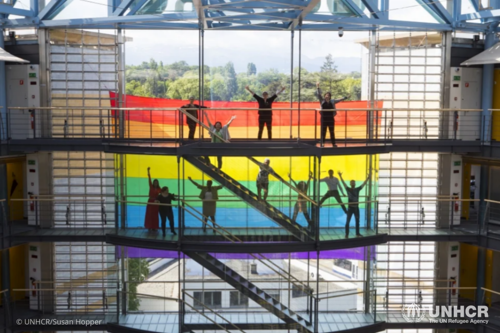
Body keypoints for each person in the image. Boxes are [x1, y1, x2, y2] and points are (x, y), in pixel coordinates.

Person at [339, 171, 371, 239]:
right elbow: (343, 183)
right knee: (347, 221)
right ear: (350, 183)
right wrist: (340, 176)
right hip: (350, 208)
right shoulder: (348, 189)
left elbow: (363, 184)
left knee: (357, 221)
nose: (353, 183)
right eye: (352, 182)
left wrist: (368, 178)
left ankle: (357, 233)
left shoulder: (357, 189)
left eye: (354, 182)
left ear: (355, 183)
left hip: (356, 208)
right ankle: (346, 234)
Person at [316, 82, 348, 147]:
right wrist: (318, 87)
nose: (327, 96)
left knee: (332, 131)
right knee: (323, 132)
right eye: (326, 95)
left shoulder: (332, 101)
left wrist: (346, 97)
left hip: (330, 119)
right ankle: (322, 144)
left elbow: (339, 100)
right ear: (325, 96)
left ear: (330, 97)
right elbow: (319, 95)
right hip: (324, 118)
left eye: (328, 95)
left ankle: (333, 144)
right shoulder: (322, 101)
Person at [144, 167, 161, 231]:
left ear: (158, 183)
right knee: (149, 214)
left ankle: (154, 227)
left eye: (156, 183)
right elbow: (149, 179)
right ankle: (149, 226)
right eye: (154, 182)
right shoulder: (151, 187)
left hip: (156, 202)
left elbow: (164, 192)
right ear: (153, 183)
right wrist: (148, 172)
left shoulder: (159, 189)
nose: (155, 183)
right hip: (150, 201)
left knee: (155, 215)